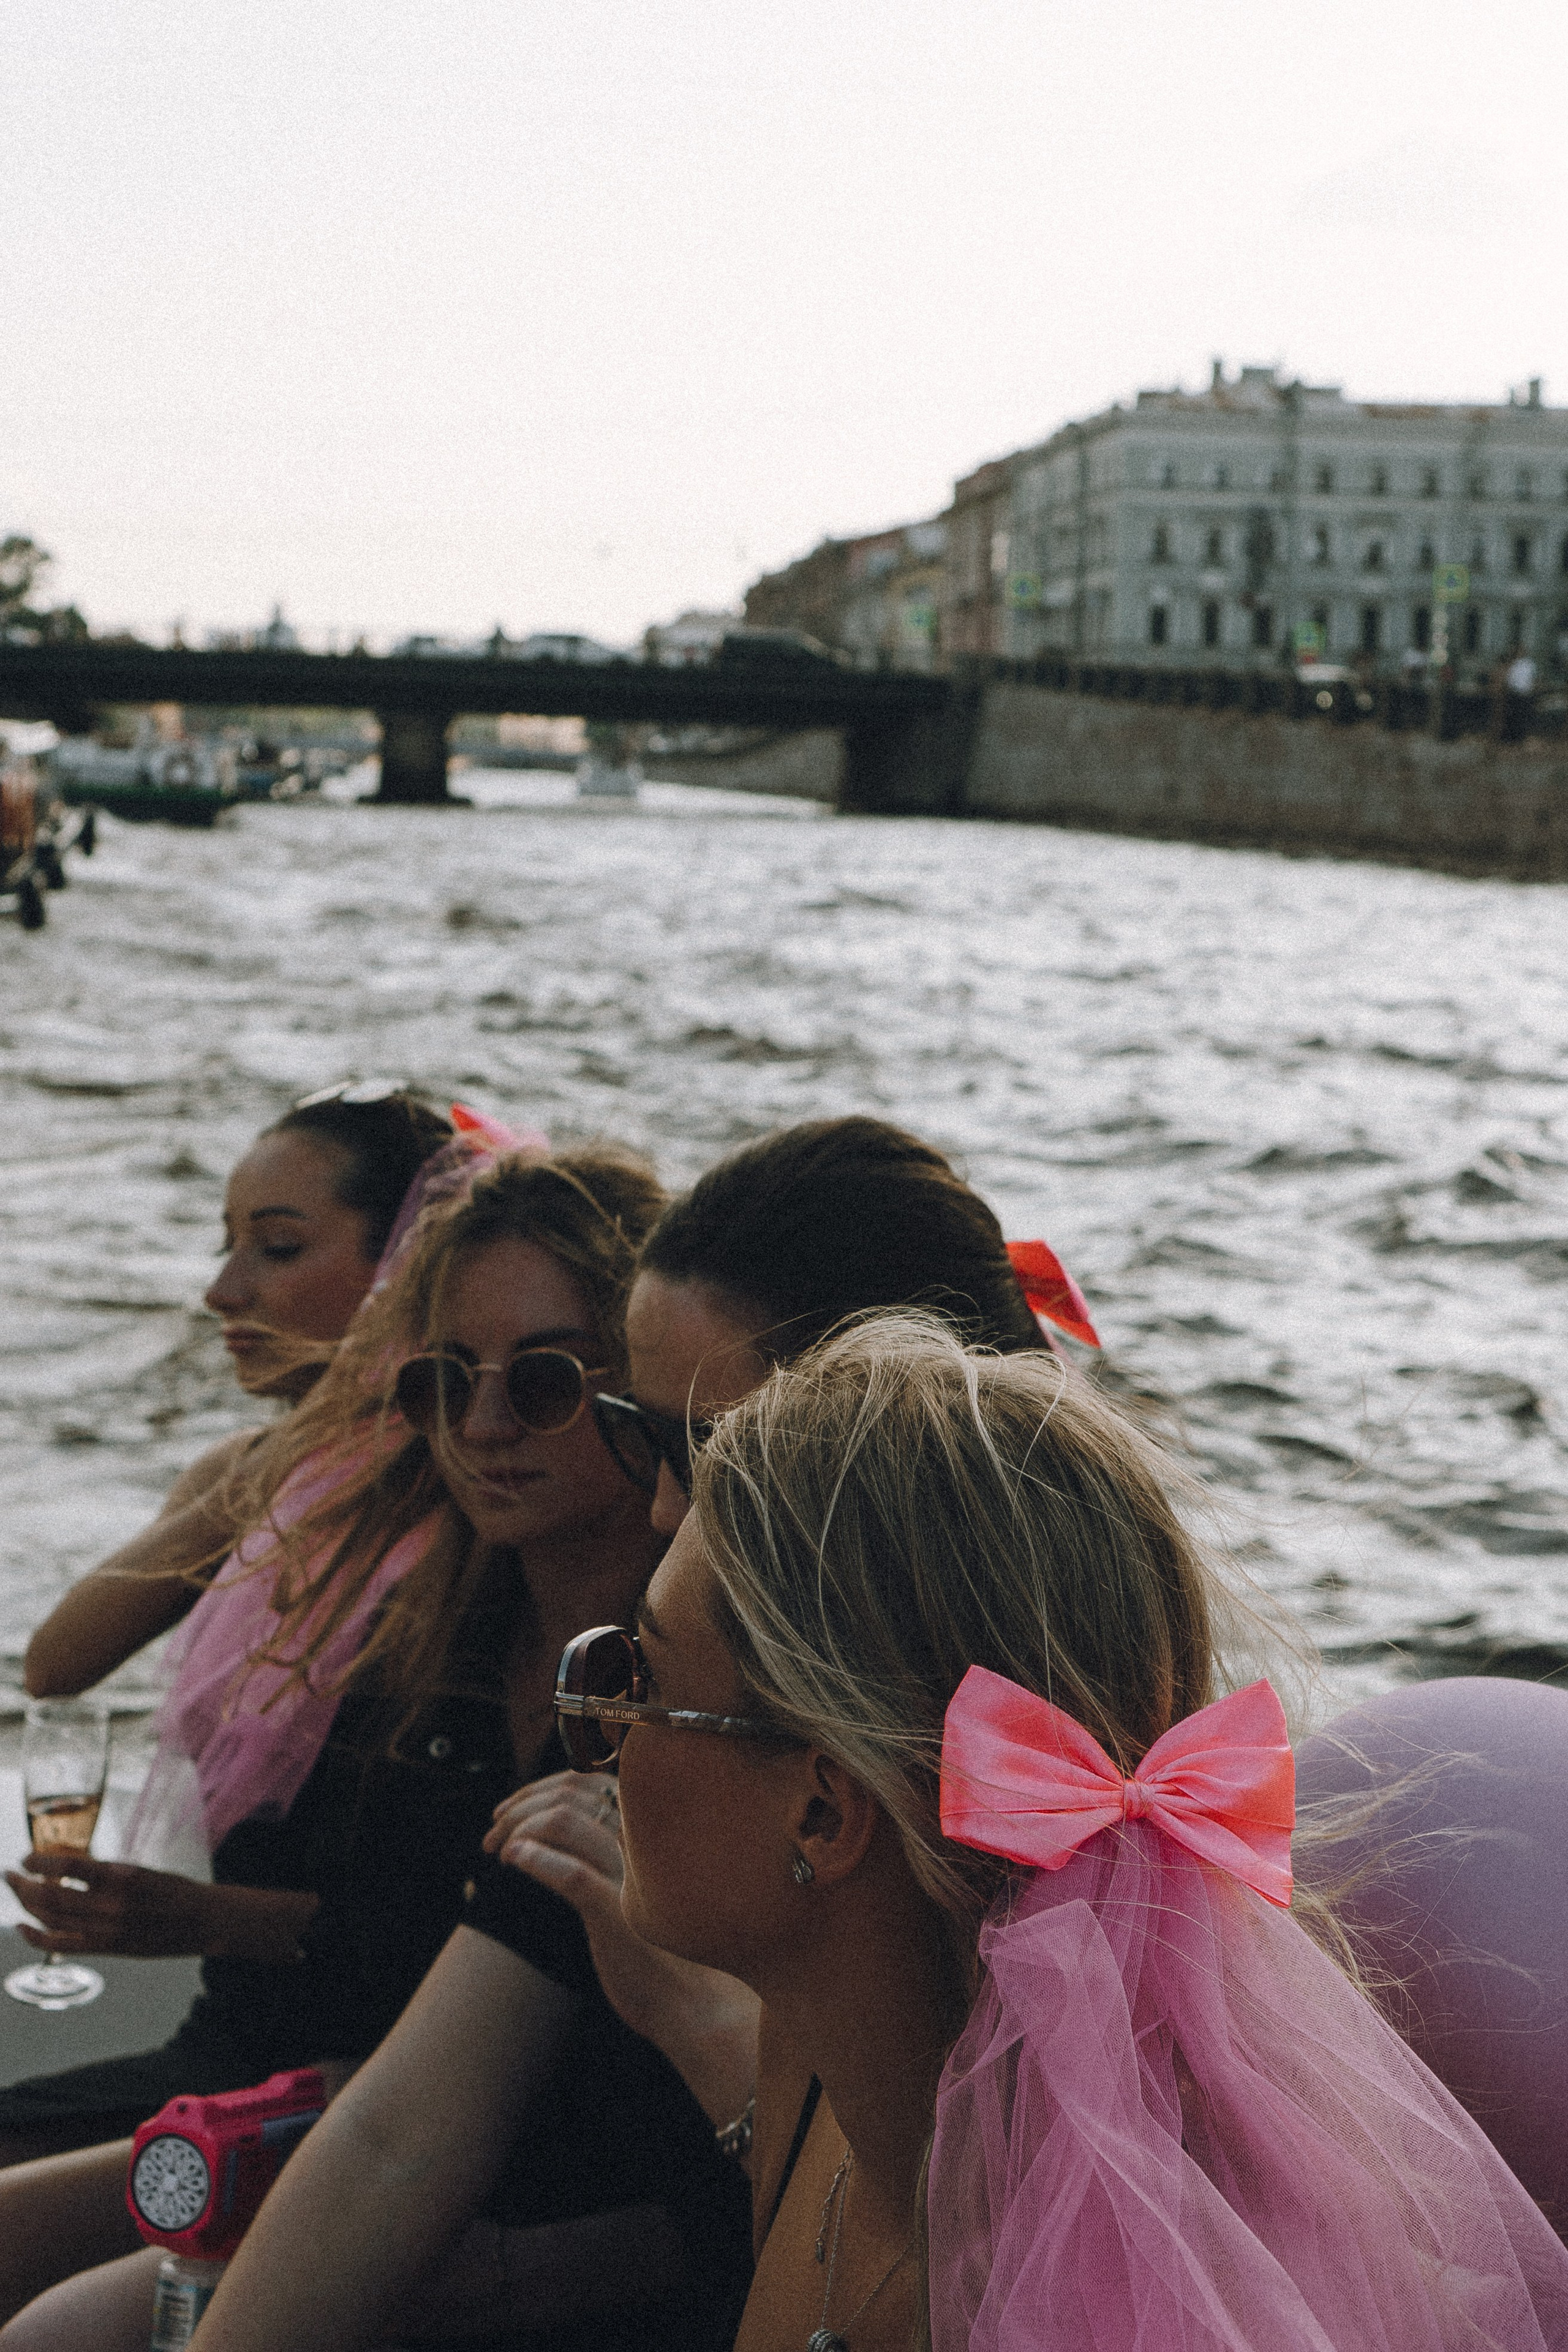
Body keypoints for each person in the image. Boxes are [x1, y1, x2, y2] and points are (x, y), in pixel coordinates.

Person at [587, 1313, 1568, 2350]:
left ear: (824, 1810)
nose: (602, 1719)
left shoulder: (1123, 2307)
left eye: (642, 1676)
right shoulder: (808, 2068)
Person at [0, 1147, 752, 2352]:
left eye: (546, 1379)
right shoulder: (437, 1654)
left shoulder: (695, 1696)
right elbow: (373, 1963)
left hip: (593, 2213)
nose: (484, 1424)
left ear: (645, 1395)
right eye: (442, 1383)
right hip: (350, 2117)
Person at [2, 1087, 461, 2163]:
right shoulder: (262, 1482)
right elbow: (60, 1661)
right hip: (226, 2047)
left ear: (403, 1273)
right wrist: (283, 1454)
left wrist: (198, 1922)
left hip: (357, 2078)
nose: (222, 1291)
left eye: (278, 1247)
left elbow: (436, 1913)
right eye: (226, 1247)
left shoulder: (480, 1515)